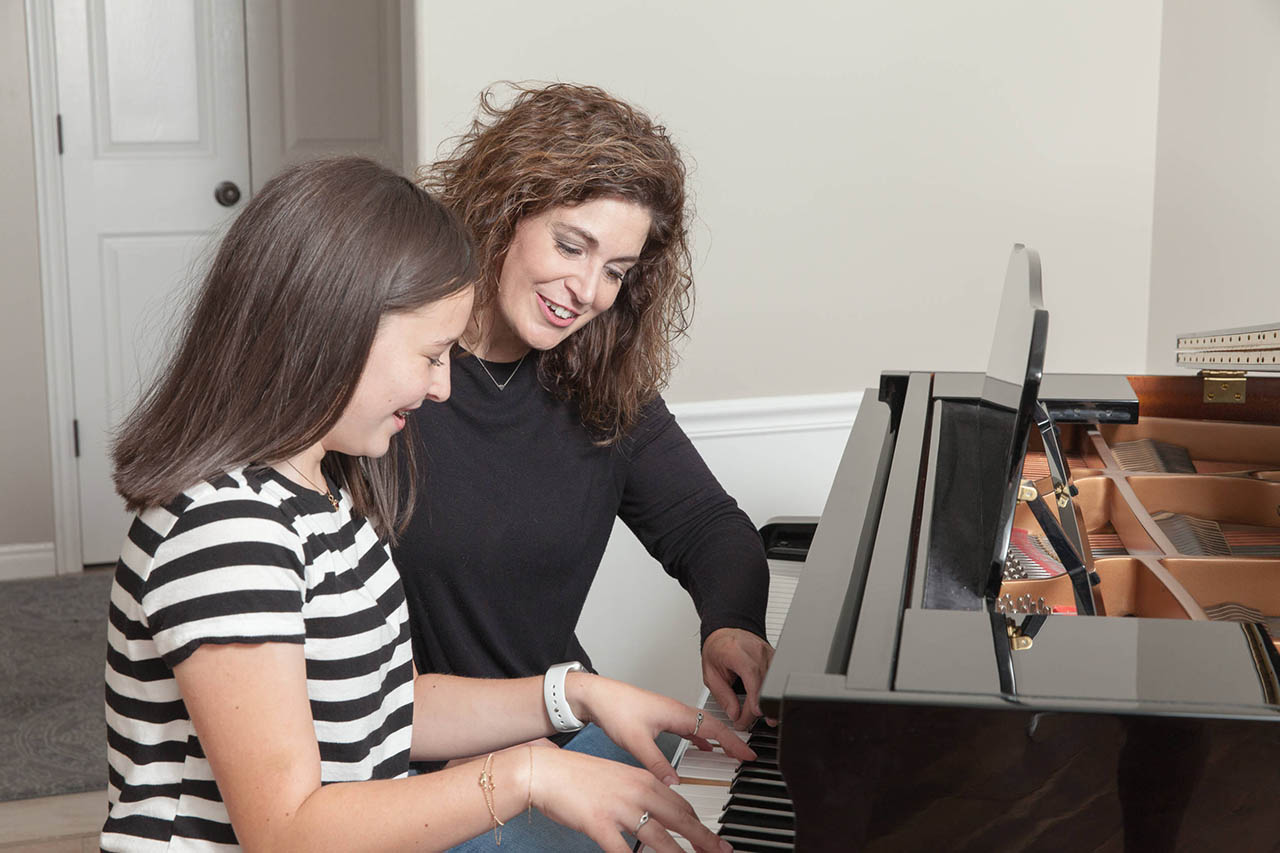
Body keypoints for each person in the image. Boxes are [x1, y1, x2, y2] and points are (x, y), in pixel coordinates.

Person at [102, 156, 750, 852]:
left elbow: (392, 706)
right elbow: (285, 831)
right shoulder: (226, 527)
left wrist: (578, 693)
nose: (443, 387)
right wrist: (526, 772)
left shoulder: (324, 492)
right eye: (432, 353)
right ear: (334, 330)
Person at [394, 82, 774, 845]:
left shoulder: (602, 381)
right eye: (572, 246)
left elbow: (708, 525)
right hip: (422, 776)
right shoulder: (390, 380)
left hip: (566, 728)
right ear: (503, 213)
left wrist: (730, 621)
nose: (588, 291)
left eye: (617, 269)